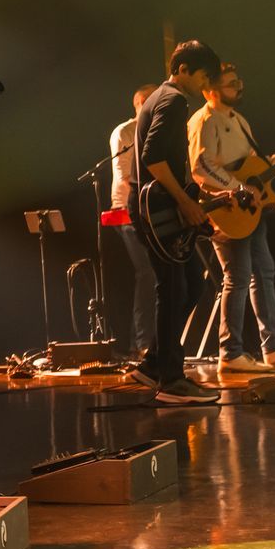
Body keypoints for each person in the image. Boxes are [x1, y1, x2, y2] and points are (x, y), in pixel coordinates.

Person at [187, 63, 275, 372]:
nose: (239, 87)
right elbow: (201, 166)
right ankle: (230, 352)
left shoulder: (239, 120)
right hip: (226, 209)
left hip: (248, 208)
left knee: (264, 271)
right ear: (210, 90)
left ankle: (273, 346)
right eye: (231, 84)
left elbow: (258, 168)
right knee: (237, 276)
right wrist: (238, 189)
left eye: (238, 81)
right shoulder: (204, 121)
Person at [128, 40, 222, 405]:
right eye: (202, 77)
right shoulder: (173, 100)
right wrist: (186, 203)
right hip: (159, 209)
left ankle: (154, 362)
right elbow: (153, 158)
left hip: (157, 207)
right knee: (172, 290)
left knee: (190, 288)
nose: (204, 86)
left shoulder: (160, 98)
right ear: (182, 69)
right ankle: (170, 380)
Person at [107, 84, 159, 358]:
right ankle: (141, 343)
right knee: (147, 273)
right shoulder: (125, 132)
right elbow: (125, 175)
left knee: (157, 274)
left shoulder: (156, 130)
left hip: (150, 209)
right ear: (140, 103)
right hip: (127, 210)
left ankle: (152, 341)